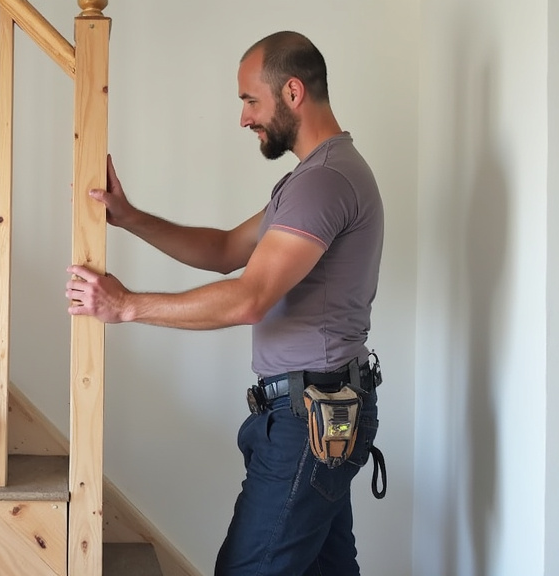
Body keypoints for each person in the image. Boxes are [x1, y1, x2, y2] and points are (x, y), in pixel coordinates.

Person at [66, 30, 384, 575]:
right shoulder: (309, 179)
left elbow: (248, 298)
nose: (243, 118)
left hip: (310, 419)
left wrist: (126, 306)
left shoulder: (325, 181)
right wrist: (132, 216)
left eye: (249, 100)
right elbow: (224, 251)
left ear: (291, 92)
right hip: (317, 413)